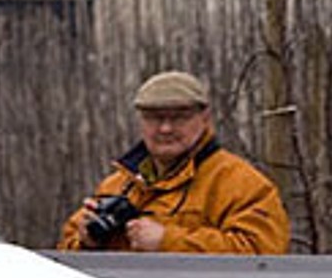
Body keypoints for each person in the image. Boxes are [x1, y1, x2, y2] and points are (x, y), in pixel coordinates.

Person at [57, 70, 289, 254]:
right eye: (154, 118)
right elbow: (64, 260)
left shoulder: (241, 184)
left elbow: (263, 256)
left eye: (179, 117)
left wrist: (167, 241)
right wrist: (86, 241)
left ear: (205, 119)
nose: (165, 128)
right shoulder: (116, 186)